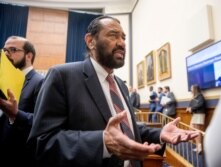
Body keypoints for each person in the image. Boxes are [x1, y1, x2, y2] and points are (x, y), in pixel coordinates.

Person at [27, 15, 200, 167]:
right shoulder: (62, 76)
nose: (122, 43)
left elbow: (126, 129)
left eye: (123, 37)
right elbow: (42, 142)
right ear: (90, 41)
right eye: (113, 35)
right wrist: (102, 143)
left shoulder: (120, 84)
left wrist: (160, 133)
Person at [0, 36, 44, 166]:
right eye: (4, 50)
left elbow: (41, 121)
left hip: (20, 156)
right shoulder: (3, 80)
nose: (6, 54)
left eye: (12, 50)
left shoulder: (40, 82)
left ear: (28, 56)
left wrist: (15, 114)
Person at [186, 84, 206, 154]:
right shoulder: (194, 97)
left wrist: (191, 108)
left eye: (191, 89)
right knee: (192, 130)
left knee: (197, 132)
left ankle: (199, 148)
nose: (190, 90)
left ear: (195, 89)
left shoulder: (200, 96)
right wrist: (189, 108)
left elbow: (200, 104)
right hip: (195, 115)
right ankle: (198, 146)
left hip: (199, 115)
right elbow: (191, 105)